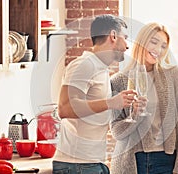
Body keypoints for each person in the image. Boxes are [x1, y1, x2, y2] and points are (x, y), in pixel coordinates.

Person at [52, 14, 138, 174]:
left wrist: (131, 112)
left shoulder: (99, 67)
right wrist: (112, 102)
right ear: (113, 36)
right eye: (124, 38)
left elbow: (94, 115)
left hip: (92, 163)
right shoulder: (84, 65)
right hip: (77, 165)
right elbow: (64, 108)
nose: (127, 46)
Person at [110, 22, 178, 174]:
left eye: (163, 46)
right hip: (132, 162)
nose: (158, 49)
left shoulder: (174, 76)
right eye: (154, 42)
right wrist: (134, 116)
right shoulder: (118, 81)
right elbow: (116, 131)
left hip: (167, 161)